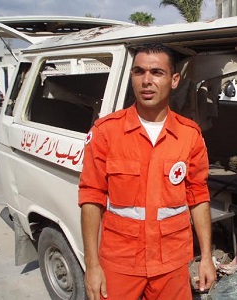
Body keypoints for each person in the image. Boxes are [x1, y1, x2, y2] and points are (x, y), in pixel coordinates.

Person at [78, 43, 216, 300]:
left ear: (174, 80)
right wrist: (92, 266)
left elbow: (198, 196)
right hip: (121, 262)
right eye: (139, 71)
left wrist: (206, 257)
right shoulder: (106, 132)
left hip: (171, 263)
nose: (147, 81)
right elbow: (91, 197)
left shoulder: (189, 135)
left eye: (157, 72)